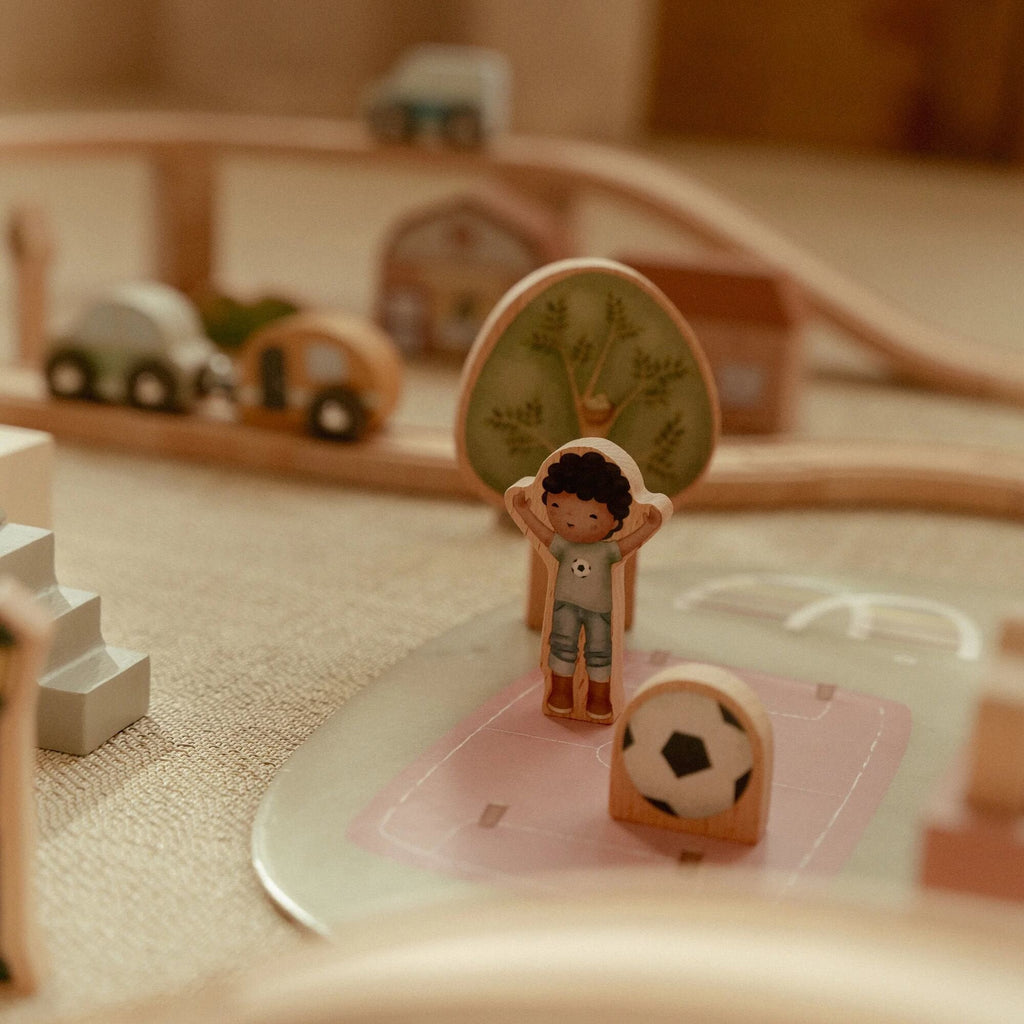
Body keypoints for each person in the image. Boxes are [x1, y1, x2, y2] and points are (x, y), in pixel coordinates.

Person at [508, 448, 663, 722]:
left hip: (599, 611)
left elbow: (630, 543)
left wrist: (650, 525)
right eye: (556, 508)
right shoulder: (563, 546)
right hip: (564, 605)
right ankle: (560, 693)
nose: (570, 519)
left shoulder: (606, 551)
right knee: (561, 646)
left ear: (614, 520)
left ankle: (599, 698)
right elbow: (541, 532)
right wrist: (522, 509)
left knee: (600, 652)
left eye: (591, 516)